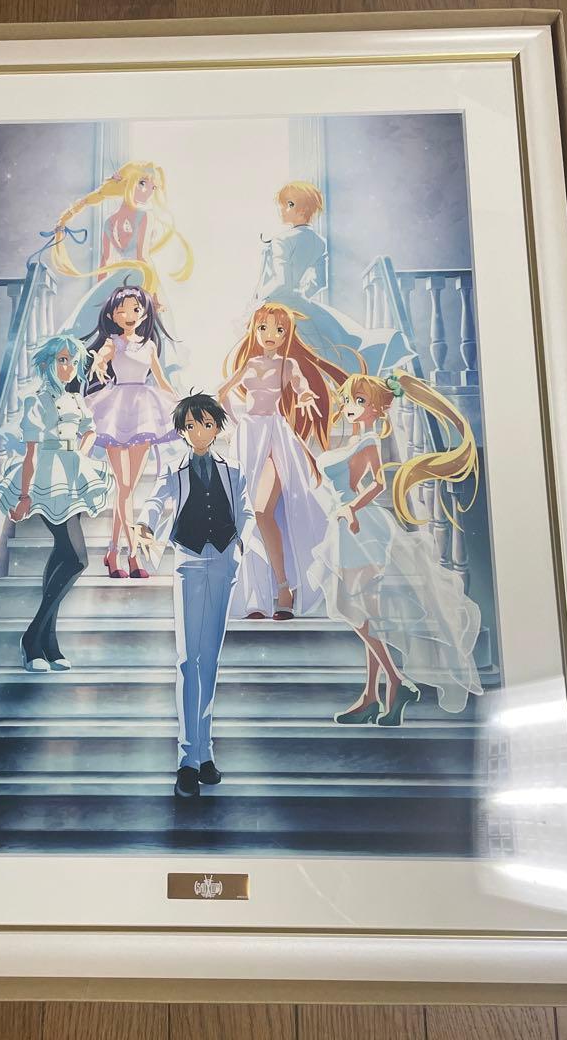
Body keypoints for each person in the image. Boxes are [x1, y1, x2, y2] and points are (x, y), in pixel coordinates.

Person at [308, 371, 483, 727]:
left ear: (377, 408)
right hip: (347, 524)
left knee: (354, 608)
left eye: (360, 401)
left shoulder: (369, 438)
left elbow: (377, 483)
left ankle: (396, 681)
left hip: (360, 526)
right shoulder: (355, 438)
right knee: (364, 610)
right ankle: (372, 695)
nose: (351, 407)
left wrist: (352, 507)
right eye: (349, 400)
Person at [136, 393, 253, 798]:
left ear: (217, 426)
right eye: (190, 426)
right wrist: (145, 525)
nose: (199, 432)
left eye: (205, 424)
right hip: (188, 560)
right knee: (189, 660)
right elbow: (156, 501)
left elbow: (246, 511)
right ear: (182, 431)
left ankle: (205, 754)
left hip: (223, 560)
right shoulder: (174, 468)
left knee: (210, 661)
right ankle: (187, 759)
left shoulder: (233, 469)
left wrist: (241, 543)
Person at [0, 335, 113, 672]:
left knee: (63, 553)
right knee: (77, 559)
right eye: (62, 360)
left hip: (72, 475)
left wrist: (80, 453)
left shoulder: (76, 400)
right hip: (46, 477)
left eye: (73, 361)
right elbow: (30, 453)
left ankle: (47, 643)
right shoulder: (37, 401)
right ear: (47, 363)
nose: (68, 367)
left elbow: (90, 431)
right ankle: (33, 636)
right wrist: (24, 495)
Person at [217, 301, 345, 620]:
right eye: (263, 328)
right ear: (254, 330)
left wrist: (306, 396)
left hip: (274, 436)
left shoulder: (288, 366)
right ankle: (257, 595)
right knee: (247, 515)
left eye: (278, 329)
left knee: (262, 510)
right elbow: (222, 393)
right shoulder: (249, 364)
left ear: (287, 334)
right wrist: (233, 427)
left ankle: (284, 586)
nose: (270, 334)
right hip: (248, 437)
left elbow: (301, 387)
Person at [251, 180, 412, 375]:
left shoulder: (282, 240)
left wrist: (259, 299)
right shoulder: (319, 242)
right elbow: (320, 281)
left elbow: (282, 281)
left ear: (302, 209)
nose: (282, 209)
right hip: (300, 305)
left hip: (278, 307)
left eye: (288, 204)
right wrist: (300, 296)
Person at [48, 160, 193, 375]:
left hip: (117, 279)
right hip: (140, 277)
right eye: (142, 183)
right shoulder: (144, 216)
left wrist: (102, 294)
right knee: (144, 332)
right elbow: (140, 257)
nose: (147, 192)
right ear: (128, 183)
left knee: (119, 330)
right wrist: (153, 294)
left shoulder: (110, 221)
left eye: (153, 188)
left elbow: (105, 262)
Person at [84, 283, 179, 578]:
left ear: (144, 314)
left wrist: (181, 403)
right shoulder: (113, 342)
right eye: (121, 311)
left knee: (126, 489)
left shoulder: (148, 346)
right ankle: (133, 556)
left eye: (135, 310)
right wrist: (99, 363)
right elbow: (102, 356)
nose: (128, 315)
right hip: (115, 411)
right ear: (112, 315)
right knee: (124, 488)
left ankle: (113, 551)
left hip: (144, 412)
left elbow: (160, 379)